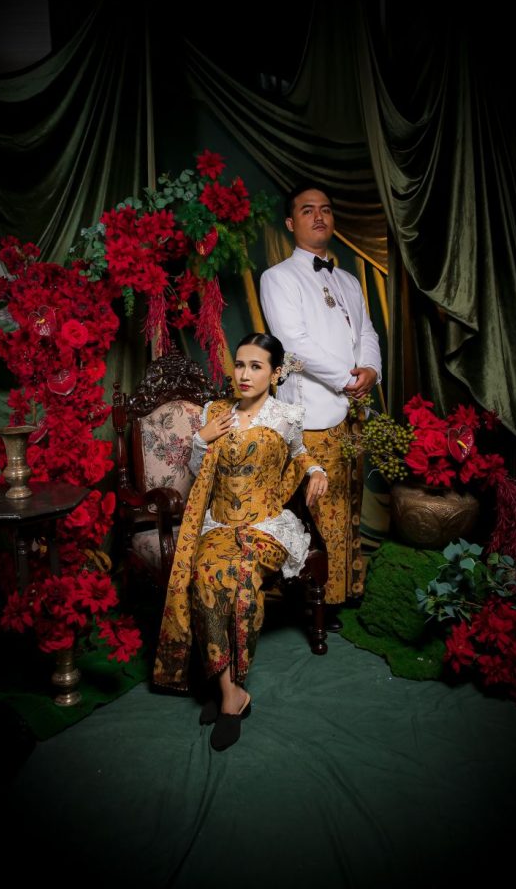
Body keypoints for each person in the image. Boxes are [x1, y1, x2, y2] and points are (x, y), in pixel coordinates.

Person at [153, 332, 328, 751]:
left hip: (266, 527)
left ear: (275, 373)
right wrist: (202, 439)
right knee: (205, 575)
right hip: (218, 525)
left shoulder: (286, 416)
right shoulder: (216, 412)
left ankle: (231, 691)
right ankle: (230, 690)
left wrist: (316, 470)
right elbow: (198, 470)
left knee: (242, 576)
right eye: (240, 364)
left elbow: (300, 453)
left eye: (256, 366)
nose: (244, 374)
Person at [259, 184, 382, 629]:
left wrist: (371, 370)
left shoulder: (348, 280)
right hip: (311, 413)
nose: (319, 217)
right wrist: (349, 379)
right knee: (320, 511)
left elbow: (366, 332)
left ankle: (347, 588)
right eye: (308, 210)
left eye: (326, 210)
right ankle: (318, 602)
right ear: (291, 223)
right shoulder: (278, 277)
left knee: (349, 503)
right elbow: (294, 344)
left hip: (351, 411)